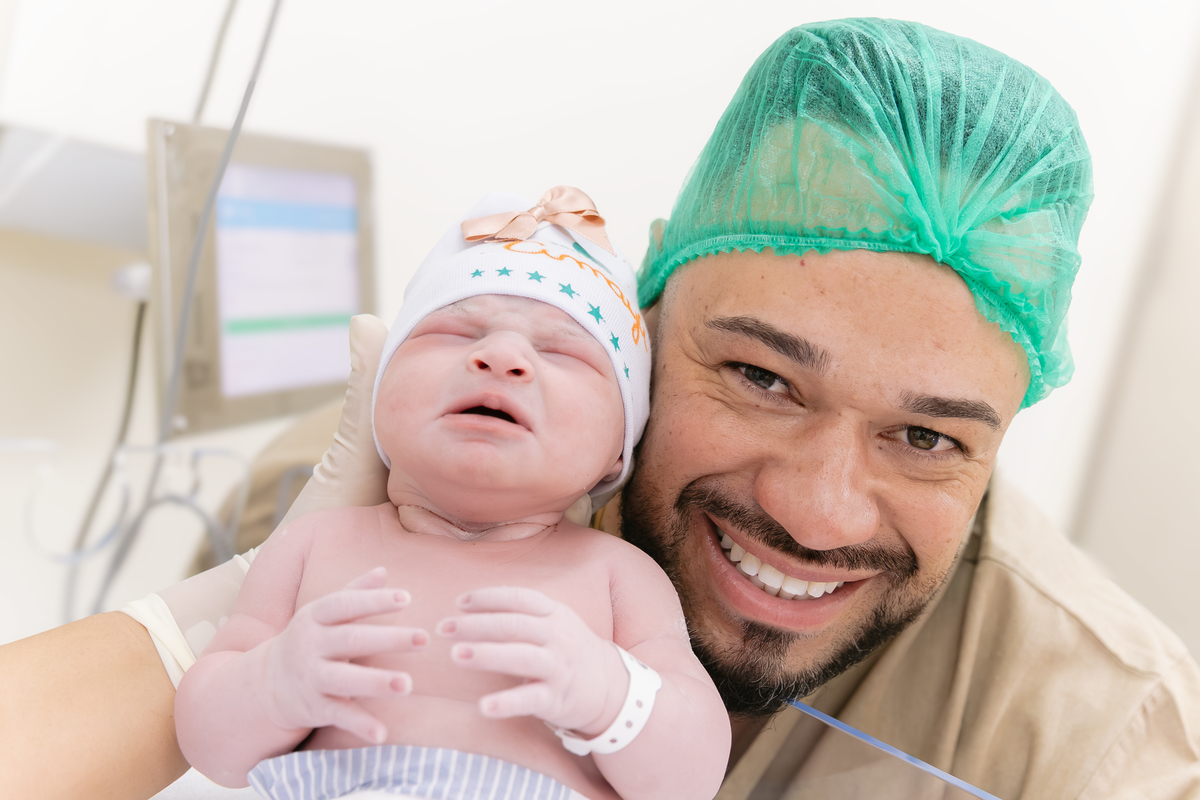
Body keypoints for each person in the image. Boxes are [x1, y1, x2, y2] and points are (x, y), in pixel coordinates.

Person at [4, 18, 1199, 800]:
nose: (819, 511)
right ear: (648, 305)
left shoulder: (1096, 738)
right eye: (761, 377)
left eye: (929, 436)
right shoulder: (331, 494)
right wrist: (206, 651)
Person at [174, 188, 729, 800]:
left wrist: (609, 694)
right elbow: (209, 750)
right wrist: (270, 685)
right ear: (377, 395)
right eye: (457, 332)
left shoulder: (619, 578)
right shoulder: (313, 545)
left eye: (559, 350)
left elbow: (691, 779)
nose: (501, 356)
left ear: (617, 450)